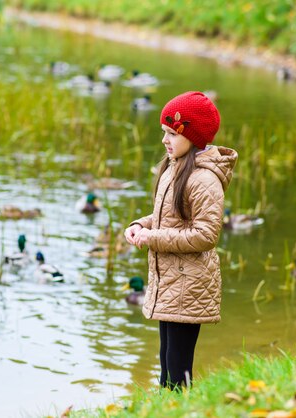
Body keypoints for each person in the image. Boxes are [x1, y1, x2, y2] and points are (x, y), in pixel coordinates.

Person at [124, 91, 237, 389]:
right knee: (165, 359)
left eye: (172, 133)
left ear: (195, 136)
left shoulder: (204, 179)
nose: (165, 140)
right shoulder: (174, 167)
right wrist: (140, 225)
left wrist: (154, 238)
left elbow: (205, 235)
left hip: (190, 283)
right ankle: (167, 407)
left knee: (177, 366)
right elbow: (170, 216)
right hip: (172, 281)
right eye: (164, 132)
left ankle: (180, 407)